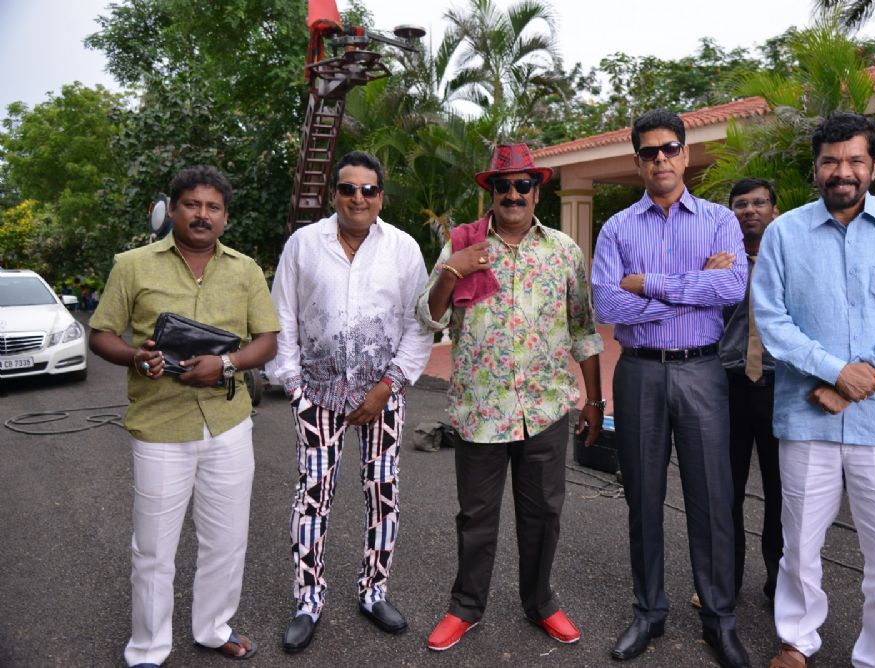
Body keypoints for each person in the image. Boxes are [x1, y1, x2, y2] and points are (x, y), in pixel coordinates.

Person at [752, 112, 875, 668]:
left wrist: (862, 379)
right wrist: (836, 372)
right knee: (799, 546)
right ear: (815, 168)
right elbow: (773, 319)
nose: (843, 171)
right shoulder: (784, 234)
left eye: (855, 160)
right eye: (831, 161)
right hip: (806, 416)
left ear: (873, 167)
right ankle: (798, 640)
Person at [89, 166, 279, 667]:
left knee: (227, 540)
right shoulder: (132, 265)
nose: (202, 214)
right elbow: (101, 334)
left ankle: (213, 629)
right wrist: (135, 357)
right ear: (171, 210)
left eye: (213, 207)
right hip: (160, 426)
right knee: (153, 548)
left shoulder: (245, 270)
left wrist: (228, 363)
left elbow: (267, 340)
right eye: (192, 204)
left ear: (225, 217)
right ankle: (148, 648)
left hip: (228, 423)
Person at [418, 143, 604, 651]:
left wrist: (594, 402)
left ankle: (540, 602)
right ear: (492, 192)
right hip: (481, 409)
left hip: (544, 408)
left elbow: (583, 330)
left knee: (543, 514)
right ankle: (465, 606)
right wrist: (453, 270)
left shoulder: (563, 251)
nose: (514, 194)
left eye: (524, 185)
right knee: (476, 516)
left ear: (537, 191)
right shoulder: (464, 245)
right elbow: (429, 317)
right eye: (504, 186)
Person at [590, 109, 751, 667]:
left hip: (702, 371)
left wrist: (649, 285)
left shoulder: (719, 221)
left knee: (712, 499)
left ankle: (719, 620)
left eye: (669, 148)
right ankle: (648, 612)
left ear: (686, 154)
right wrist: (694, 288)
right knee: (642, 497)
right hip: (638, 371)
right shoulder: (617, 228)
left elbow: (732, 287)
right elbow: (608, 304)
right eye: (649, 151)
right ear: (638, 161)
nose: (660, 158)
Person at [270, 151, 433, 652]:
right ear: (334, 194)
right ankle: (308, 598)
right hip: (318, 396)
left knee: (382, 493)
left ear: (381, 196)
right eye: (348, 188)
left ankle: (373, 591)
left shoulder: (403, 248)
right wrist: (294, 388)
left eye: (368, 189)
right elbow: (284, 316)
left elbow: (419, 322)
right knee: (312, 496)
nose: (358, 198)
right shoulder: (304, 245)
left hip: (382, 394)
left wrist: (389, 386)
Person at [718, 178, 783, 604]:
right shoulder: (719, 262)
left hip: (780, 386)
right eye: (741, 204)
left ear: (774, 211)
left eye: (759, 203)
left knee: (782, 491)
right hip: (728, 385)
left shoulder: (791, 259)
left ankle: (781, 584)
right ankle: (726, 580)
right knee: (726, 489)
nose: (750, 210)